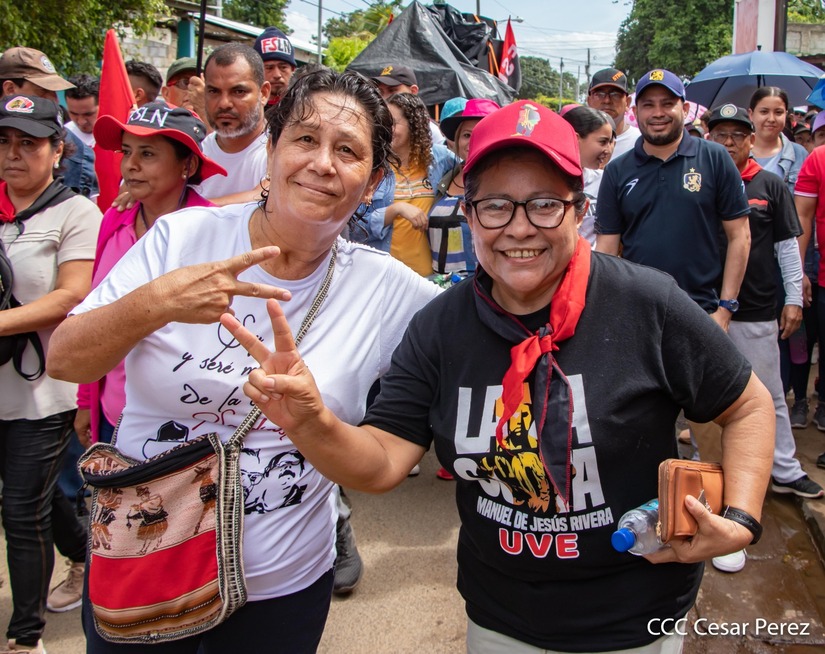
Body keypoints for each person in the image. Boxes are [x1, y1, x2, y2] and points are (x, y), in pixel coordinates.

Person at [220, 99, 775, 653]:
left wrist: (741, 518)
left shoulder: (646, 303)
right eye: (495, 206)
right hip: (499, 619)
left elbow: (746, 405)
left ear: (579, 211)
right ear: (468, 216)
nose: (519, 228)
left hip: (637, 620)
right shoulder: (440, 326)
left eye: (544, 205)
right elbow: (384, 460)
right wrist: (311, 424)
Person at [46, 69, 440, 652]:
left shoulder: (386, 288)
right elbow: (65, 359)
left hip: (283, 586)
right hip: (144, 565)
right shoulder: (182, 238)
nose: (323, 163)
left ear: (373, 181)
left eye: (348, 151)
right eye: (305, 139)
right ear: (272, 151)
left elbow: (482, 322)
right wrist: (159, 301)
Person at [0, 94, 101, 653]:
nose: (13, 154)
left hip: (44, 392)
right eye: (4, 141)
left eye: (28, 143)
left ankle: (25, 637)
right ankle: (84, 553)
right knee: (33, 497)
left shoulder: (75, 213)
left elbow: (70, 295)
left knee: (21, 509)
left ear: (58, 150)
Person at [705, 104, 823, 573]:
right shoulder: (699, 181)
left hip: (755, 310)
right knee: (701, 398)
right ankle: (710, 475)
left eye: (738, 134)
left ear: (752, 141)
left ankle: (785, 469)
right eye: (720, 134)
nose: (729, 142)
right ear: (708, 138)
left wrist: (793, 299)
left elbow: (788, 249)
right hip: (702, 307)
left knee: (769, 394)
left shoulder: (770, 185)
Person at [73, 100, 227, 449]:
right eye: (127, 151)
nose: (131, 165)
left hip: (185, 426)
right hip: (113, 414)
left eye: (148, 154)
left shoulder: (215, 229)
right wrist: (86, 401)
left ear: (187, 164)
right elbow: (91, 311)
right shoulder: (115, 219)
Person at [595, 68, 750, 334]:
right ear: (636, 111)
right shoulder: (617, 170)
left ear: (685, 109)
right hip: (637, 313)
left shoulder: (715, 158)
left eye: (667, 104)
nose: (658, 113)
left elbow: (740, 236)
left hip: (702, 311)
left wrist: (725, 308)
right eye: (648, 105)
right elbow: (607, 250)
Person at [0, 47, 97, 199]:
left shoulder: (75, 152)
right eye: (42, 90)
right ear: (10, 89)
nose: (54, 99)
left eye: (28, 143)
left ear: (58, 151)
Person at [384, 92, 457, 276]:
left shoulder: (440, 159)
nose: (385, 128)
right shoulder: (375, 167)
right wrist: (396, 209)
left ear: (413, 124)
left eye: (393, 122)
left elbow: (466, 172)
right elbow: (360, 226)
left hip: (430, 278)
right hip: (388, 277)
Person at [430, 97, 500, 277]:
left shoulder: (506, 183)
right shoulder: (445, 178)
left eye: (482, 133)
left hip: (483, 284)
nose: (472, 141)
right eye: (467, 135)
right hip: (442, 285)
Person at [196, 43, 270, 204]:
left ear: (264, 93)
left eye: (238, 92)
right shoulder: (192, 154)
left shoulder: (281, 149)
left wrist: (190, 209)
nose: (224, 103)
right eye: (214, 91)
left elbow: (267, 194)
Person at [562, 105, 615, 246]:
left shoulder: (605, 179)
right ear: (575, 139)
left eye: (610, 142)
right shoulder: (545, 181)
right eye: (603, 142)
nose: (608, 150)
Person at [749, 87, 807, 194]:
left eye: (778, 112)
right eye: (764, 112)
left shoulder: (799, 153)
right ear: (751, 115)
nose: (771, 119)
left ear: (786, 114)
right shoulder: (738, 153)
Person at [371, 64, 446, 146]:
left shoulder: (431, 131)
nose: (384, 98)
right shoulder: (374, 125)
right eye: (381, 92)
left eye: (392, 90)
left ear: (413, 91)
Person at [586, 67, 640, 159]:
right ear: (589, 101)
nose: (607, 101)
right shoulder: (577, 142)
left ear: (627, 102)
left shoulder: (641, 142)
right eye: (599, 94)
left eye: (615, 95)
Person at [253, 27, 296, 105]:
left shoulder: (303, 106)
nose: (277, 75)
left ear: (293, 69)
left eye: (283, 67)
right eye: (269, 68)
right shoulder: (247, 107)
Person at [65, 74, 99, 148]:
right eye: (74, 114)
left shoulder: (117, 135)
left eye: (88, 114)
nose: (81, 122)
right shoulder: (63, 136)